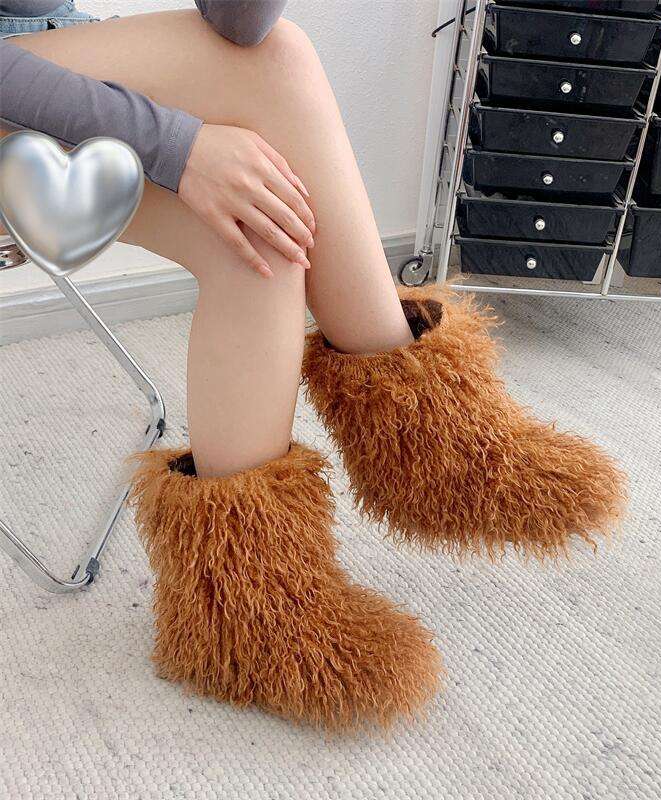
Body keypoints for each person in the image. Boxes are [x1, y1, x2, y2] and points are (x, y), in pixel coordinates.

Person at [0, 1, 627, 731]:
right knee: (281, 63)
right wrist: (180, 147)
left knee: (259, 229)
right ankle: (427, 438)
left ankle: (246, 612)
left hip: (38, 61)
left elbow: (238, 23)